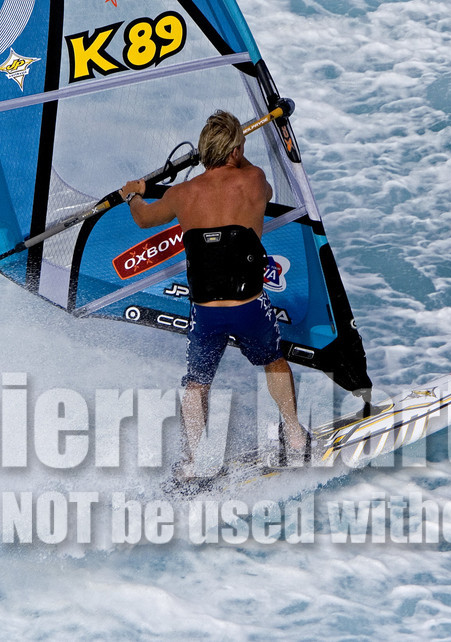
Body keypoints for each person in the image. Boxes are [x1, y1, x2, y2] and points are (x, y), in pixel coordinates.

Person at [119, 110, 309, 474]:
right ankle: (296, 435)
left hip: (206, 314)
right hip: (250, 307)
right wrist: (237, 152)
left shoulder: (181, 194)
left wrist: (134, 194)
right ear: (236, 150)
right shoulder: (254, 181)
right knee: (274, 361)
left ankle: (193, 462)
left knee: (196, 384)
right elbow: (261, 187)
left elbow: (144, 218)